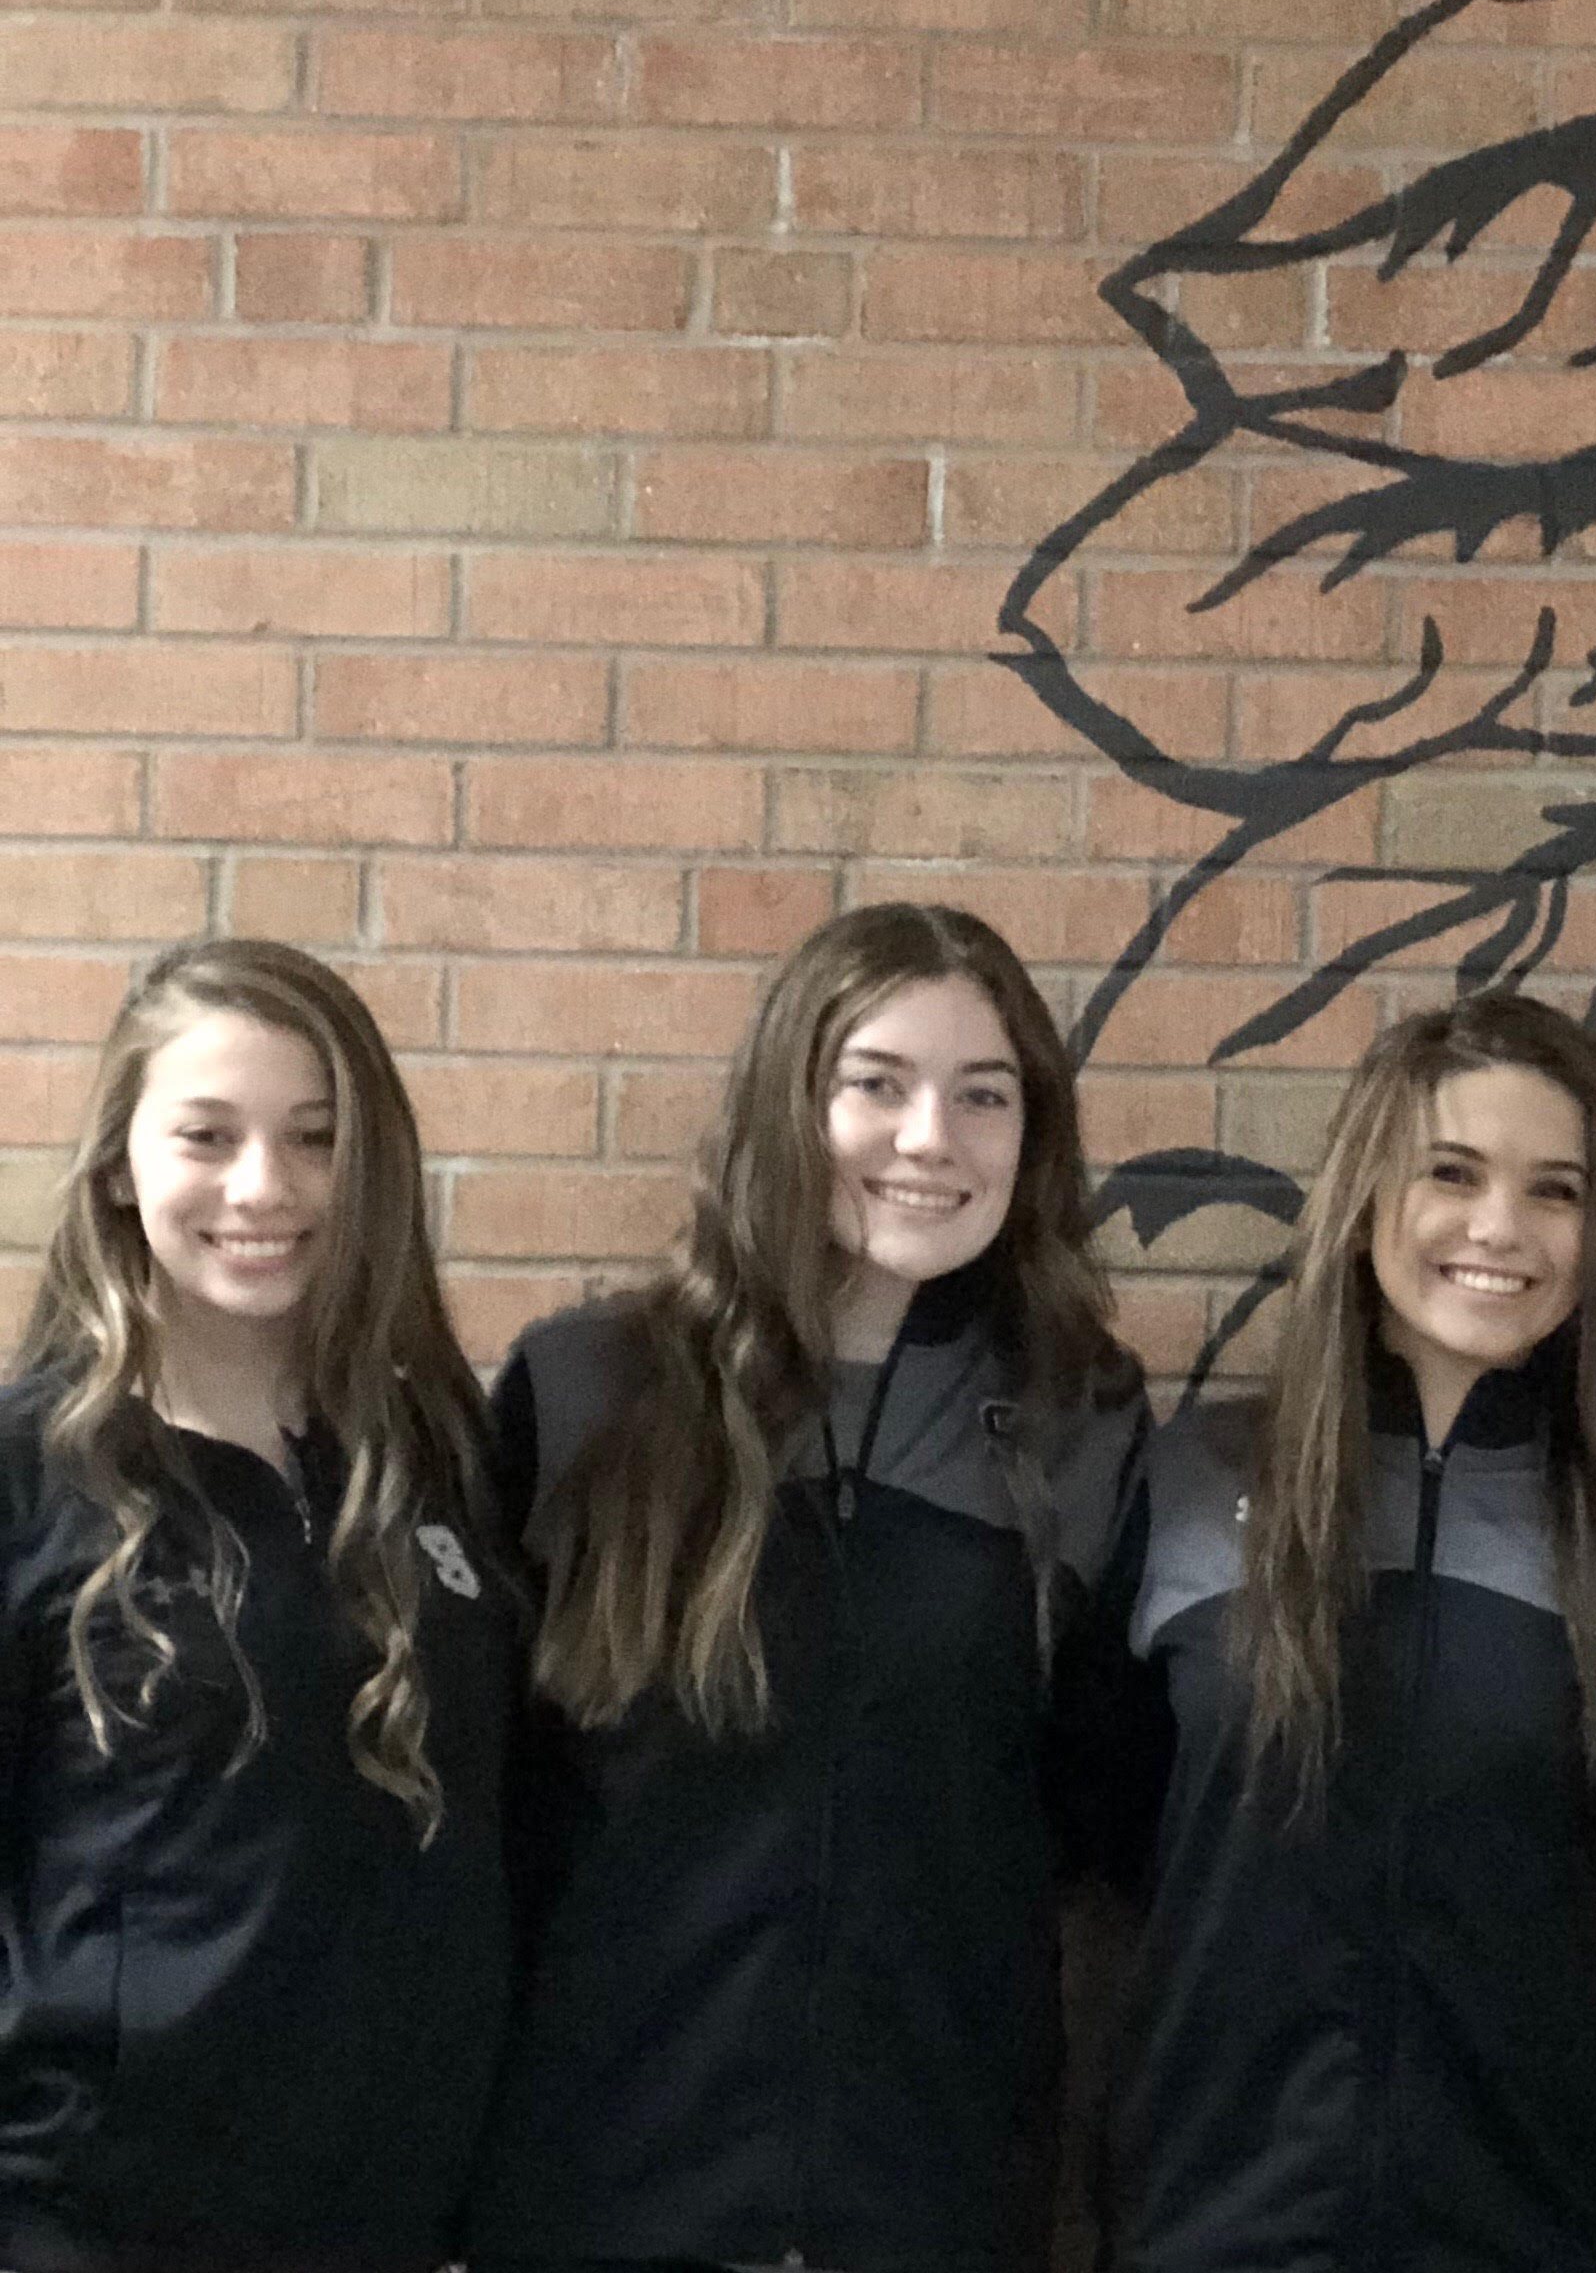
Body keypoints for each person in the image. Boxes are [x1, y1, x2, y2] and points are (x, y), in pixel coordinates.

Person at [464, 903, 1150, 2273]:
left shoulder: (1086, 1423)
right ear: (793, 1098)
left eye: (983, 1096)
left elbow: (1082, 1816)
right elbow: (494, 1804)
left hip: (932, 2195)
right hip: (602, 2184)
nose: (929, 1141)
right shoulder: (589, 1387)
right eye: (877, 1085)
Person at [1118, 992, 1596, 2271]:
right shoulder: (1183, 1481)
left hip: (1530, 2224)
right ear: (1365, 1192)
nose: (1501, 1228)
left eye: (1557, 1191)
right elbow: (1105, 1819)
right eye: (1453, 1173)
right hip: (1216, 2221)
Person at [0, 939, 519, 2273]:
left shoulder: (436, 1452)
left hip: (393, 2219)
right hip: (97, 2217)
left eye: (312, 1138)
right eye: (207, 1135)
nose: (263, 1187)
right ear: (121, 1162)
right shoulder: (33, 1472)